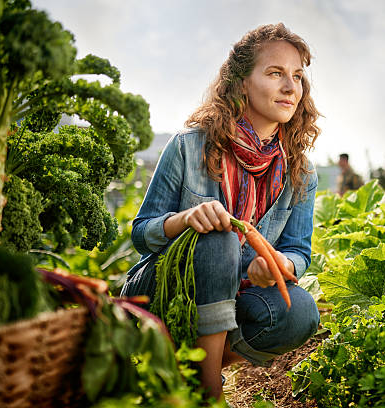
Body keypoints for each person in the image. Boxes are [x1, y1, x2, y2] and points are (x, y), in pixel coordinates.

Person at [120, 23, 321, 402]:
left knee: (300, 313)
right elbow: (141, 233)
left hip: (236, 296)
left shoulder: (301, 172)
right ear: (242, 82)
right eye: (275, 73)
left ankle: (194, 367)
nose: (291, 87)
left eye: (297, 76)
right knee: (219, 236)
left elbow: (299, 250)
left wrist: (280, 264)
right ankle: (208, 394)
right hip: (164, 293)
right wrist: (185, 220)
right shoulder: (189, 146)